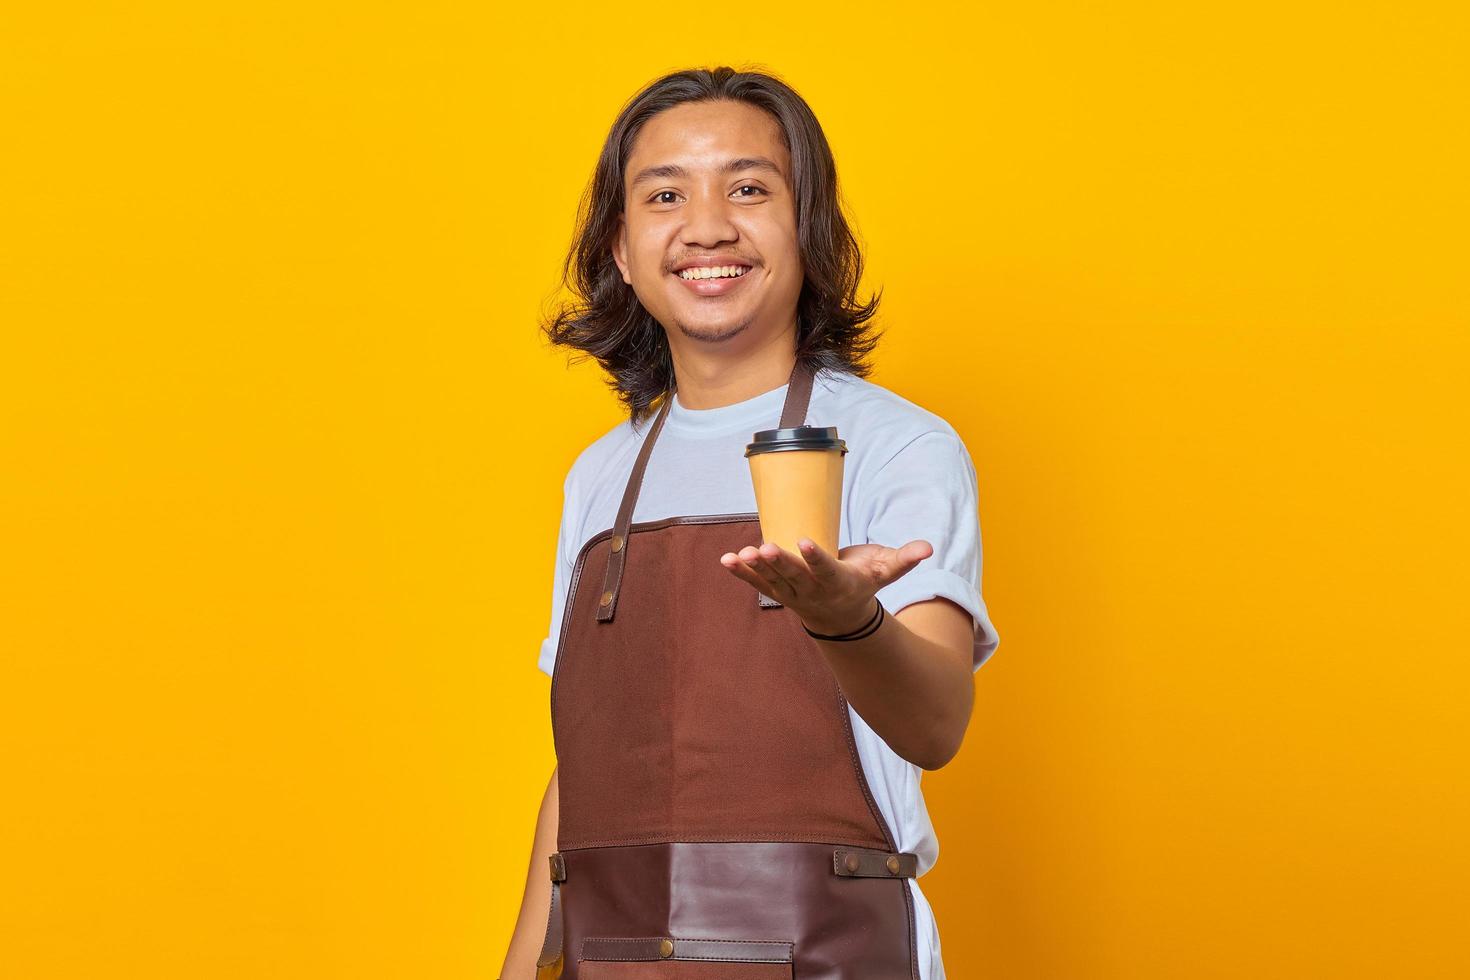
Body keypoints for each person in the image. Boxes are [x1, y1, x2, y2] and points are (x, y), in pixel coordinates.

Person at [499, 66, 1000, 980]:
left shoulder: (898, 447)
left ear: (805, 227)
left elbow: (936, 726)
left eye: (747, 188)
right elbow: (581, 776)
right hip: (606, 958)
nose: (706, 227)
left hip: (827, 955)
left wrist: (843, 617)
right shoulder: (601, 475)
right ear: (619, 248)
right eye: (663, 194)